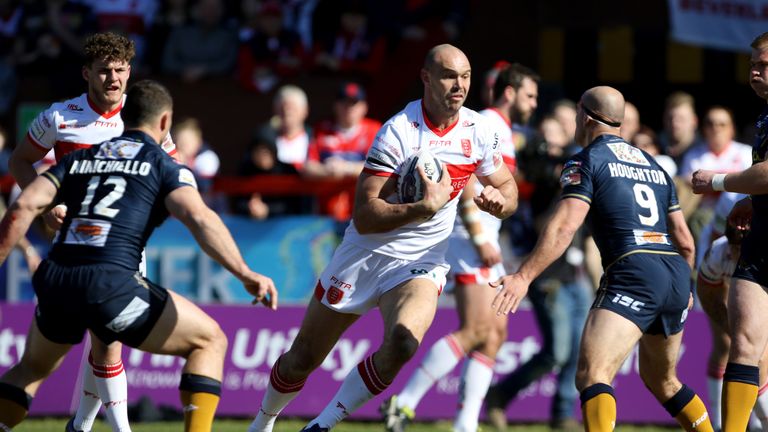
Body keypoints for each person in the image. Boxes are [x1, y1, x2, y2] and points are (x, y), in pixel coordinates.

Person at [246, 43, 518, 432]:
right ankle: (262, 422)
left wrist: (500, 202)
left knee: (403, 344)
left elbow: (508, 189)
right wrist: (421, 208)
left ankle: (321, 425)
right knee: (302, 359)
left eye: (466, 76)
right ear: (425, 77)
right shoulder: (399, 132)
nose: (459, 86)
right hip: (365, 254)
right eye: (448, 76)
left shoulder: (480, 130)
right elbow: (366, 214)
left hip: (420, 262)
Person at [0, 79, 278, 432]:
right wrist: (244, 272)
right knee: (210, 340)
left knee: (31, 370)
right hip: (110, 282)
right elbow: (199, 217)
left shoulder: (82, 159)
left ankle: (78, 425)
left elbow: (23, 205)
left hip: (58, 278)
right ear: (164, 123)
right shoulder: (164, 165)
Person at [492, 86, 713, 432]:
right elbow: (684, 239)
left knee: (593, 373)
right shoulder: (654, 165)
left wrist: (523, 276)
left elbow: (565, 226)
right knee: (663, 380)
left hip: (633, 269)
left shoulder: (585, 160)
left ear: (585, 116)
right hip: (673, 271)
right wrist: (684, 284)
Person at [8, 32, 177, 432]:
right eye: (104, 71)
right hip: (77, 245)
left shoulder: (145, 119)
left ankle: (81, 426)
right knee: (104, 339)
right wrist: (49, 207)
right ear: (87, 74)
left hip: (126, 245)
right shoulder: (60, 116)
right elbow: (20, 160)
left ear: (130, 72)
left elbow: (171, 175)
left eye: (120, 70)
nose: (113, 79)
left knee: (106, 339)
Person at [379, 61, 519, 432]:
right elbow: (467, 176)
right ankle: (404, 402)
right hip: (468, 237)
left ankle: (466, 423)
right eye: (531, 95)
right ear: (512, 93)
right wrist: (478, 234)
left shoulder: (503, 128)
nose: (534, 104)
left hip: (484, 237)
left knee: (496, 332)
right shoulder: (484, 122)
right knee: (476, 328)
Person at [691, 31, 768, 432]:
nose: (755, 70)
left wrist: (720, 182)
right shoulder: (764, 117)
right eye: (753, 63)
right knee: (743, 345)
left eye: (765, 64)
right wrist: (750, 202)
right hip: (760, 245)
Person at [696, 223, 768, 430]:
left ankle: (759, 422)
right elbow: (707, 293)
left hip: (761, 288)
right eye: (734, 247)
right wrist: (731, 329)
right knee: (725, 345)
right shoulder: (718, 253)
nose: (736, 252)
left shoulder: (762, 250)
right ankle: (719, 423)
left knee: (761, 356)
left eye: (740, 247)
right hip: (727, 293)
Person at [305, 81, 382, 221]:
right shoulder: (321, 130)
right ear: (336, 106)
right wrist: (328, 170)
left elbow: (381, 168)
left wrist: (347, 168)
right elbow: (308, 166)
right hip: (325, 215)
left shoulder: (375, 130)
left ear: (364, 107)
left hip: (363, 213)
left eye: (354, 104)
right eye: (344, 103)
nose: (349, 108)